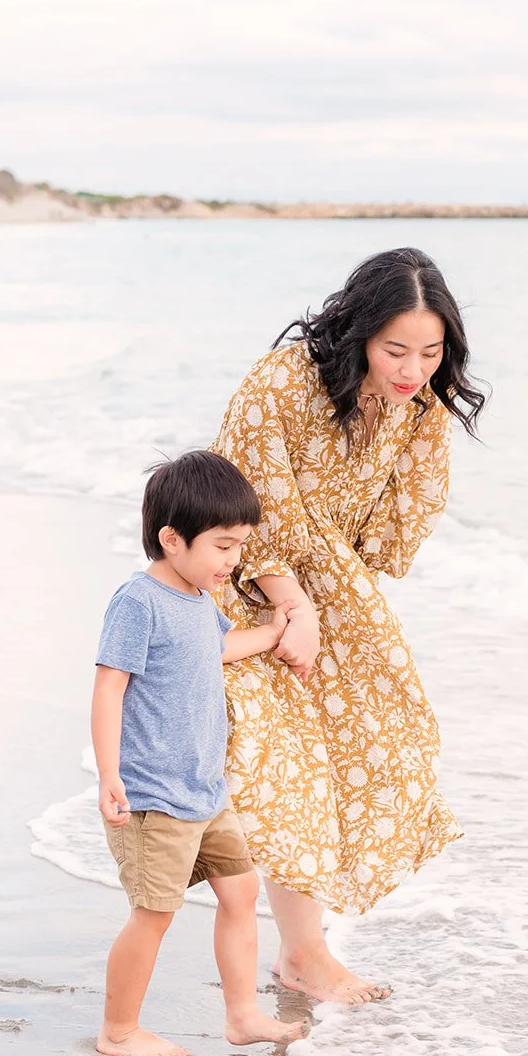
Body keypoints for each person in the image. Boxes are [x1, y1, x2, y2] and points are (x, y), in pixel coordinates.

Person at [213, 247, 486, 1004]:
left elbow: (396, 526)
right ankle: (297, 953)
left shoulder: (418, 401)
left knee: (371, 747)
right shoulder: (283, 381)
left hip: (334, 592)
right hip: (243, 580)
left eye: (431, 352)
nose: (412, 368)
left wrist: (329, 598)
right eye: (396, 349)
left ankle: (302, 950)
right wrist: (292, 607)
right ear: (360, 330)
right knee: (285, 768)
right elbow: (247, 496)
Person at [92, 449, 308, 1056]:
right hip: (155, 794)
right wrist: (110, 774)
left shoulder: (197, 601)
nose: (234, 560)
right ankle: (119, 1030)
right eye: (222, 545)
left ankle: (241, 1016)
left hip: (207, 791)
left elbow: (211, 650)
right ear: (171, 539)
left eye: (240, 545)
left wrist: (268, 634)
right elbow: (110, 686)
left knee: (241, 894)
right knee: (154, 914)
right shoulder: (138, 602)